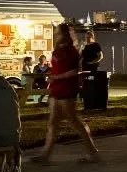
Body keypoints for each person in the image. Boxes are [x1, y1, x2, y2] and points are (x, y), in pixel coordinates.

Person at [35, 23, 99, 163]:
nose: (55, 35)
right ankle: (46, 155)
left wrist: (56, 77)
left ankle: (93, 153)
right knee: (53, 122)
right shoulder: (56, 51)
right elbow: (56, 69)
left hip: (67, 90)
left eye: (58, 33)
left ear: (64, 35)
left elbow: (74, 71)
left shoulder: (71, 52)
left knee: (74, 121)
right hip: (56, 90)